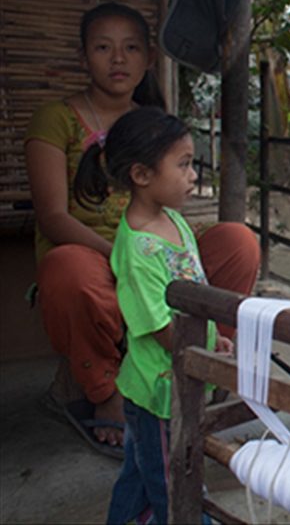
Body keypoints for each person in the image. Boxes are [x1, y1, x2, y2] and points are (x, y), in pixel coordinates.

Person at [24, 2, 260, 457]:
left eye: (131, 47)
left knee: (238, 241)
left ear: (149, 57)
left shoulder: (152, 118)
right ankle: (107, 391)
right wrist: (122, 256)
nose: (118, 58)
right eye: (103, 47)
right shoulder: (55, 119)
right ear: (83, 56)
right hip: (89, 253)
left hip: (152, 246)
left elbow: (167, 206)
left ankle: (208, 362)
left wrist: (161, 252)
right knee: (67, 268)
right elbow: (52, 217)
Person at [73, 106, 229, 524]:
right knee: (173, 478)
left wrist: (214, 337)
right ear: (142, 175)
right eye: (183, 164)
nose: (193, 175)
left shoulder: (174, 221)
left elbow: (195, 288)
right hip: (158, 391)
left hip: (179, 376)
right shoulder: (138, 249)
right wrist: (204, 351)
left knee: (142, 472)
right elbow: (160, 326)